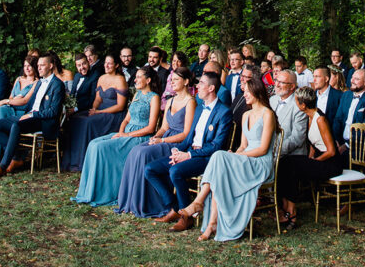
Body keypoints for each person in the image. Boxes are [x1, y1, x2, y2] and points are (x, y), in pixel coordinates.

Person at [174, 75, 277, 240]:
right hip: (245, 158)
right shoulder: (246, 115)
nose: (244, 95)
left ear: (257, 92)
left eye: (248, 92)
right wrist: (235, 155)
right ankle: (211, 223)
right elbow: (243, 145)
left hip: (260, 163)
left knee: (219, 157)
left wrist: (238, 156)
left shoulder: (267, 114)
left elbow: (263, 149)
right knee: (220, 161)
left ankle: (199, 203)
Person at [146, 70, 232, 224]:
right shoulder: (199, 108)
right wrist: (177, 151)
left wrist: (189, 155)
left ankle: (186, 217)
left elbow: (217, 146)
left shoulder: (224, 112)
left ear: (211, 88)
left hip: (207, 158)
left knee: (175, 171)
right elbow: (188, 138)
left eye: (201, 83)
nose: (197, 86)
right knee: (150, 169)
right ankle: (175, 207)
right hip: (190, 151)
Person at [73, 66, 160, 206]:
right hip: (125, 131)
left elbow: (151, 128)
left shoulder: (154, 98)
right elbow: (126, 119)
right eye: (136, 76)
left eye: (139, 77)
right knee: (93, 144)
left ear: (148, 80)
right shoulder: (137, 95)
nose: (135, 80)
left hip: (139, 136)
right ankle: (87, 191)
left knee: (101, 149)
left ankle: (103, 192)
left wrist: (127, 135)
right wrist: (121, 132)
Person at [115, 65, 196, 216]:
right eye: (171, 79)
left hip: (177, 143)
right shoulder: (170, 101)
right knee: (136, 149)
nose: (171, 82)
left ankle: (149, 202)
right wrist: (156, 137)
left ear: (185, 82)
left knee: (143, 154)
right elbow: (164, 127)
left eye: (176, 79)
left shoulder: (190, 102)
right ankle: (132, 200)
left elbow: (186, 133)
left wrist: (162, 141)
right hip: (164, 139)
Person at [0, 53, 64, 178]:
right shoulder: (38, 83)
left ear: (51, 65)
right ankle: (16, 156)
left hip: (43, 121)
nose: (39, 68)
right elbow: (28, 105)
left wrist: (33, 115)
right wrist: (17, 110)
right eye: (38, 65)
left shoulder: (57, 84)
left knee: (16, 126)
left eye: (42, 65)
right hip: (30, 116)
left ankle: (2, 167)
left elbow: (53, 112)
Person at [278, 85, 345, 231]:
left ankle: (292, 212)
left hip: (330, 163)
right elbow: (314, 143)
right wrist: (308, 159)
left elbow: (332, 151)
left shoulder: (320, 119)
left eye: (296, 102)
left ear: (303, 105)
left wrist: (313, 162)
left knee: (293, 165)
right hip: (319, 159)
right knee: (285, 162)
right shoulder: (310, 116)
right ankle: (285, 207)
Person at [61, 53, 128, 172]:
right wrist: (93, 109)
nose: (106, 65)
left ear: (116, 65)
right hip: (100, 111)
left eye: (110, 63)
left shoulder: (120, 80)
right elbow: (98, 99)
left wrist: (99, 111)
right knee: (77, 118)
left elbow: (120, 106)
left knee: (87, 122)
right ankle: (72, 161)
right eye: (105, 63)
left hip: (114, 114)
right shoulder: (102, 78)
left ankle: (84, 162)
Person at [334, 68, 365, 161]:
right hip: (341, 142)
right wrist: (336, 140)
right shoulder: (346, 95)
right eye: (352, 78)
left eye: (356, 79)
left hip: (359, 146)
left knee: (338, 159)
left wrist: (347, 145)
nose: (352, 81)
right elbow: (338, 119)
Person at [269, 69, 308, 157]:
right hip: (269, 153)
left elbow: (297, 138)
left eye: (282, 82)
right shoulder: (272, 100)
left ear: (292, 86)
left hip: (290, 157)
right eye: (276, 81)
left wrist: (274, 150)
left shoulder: (299, 106)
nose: (277, 85)